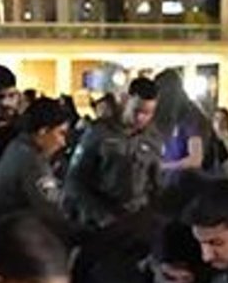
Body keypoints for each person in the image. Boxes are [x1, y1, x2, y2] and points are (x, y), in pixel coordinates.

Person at [63, 77, 163, 232]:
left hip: (137, 219)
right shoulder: (98, 133)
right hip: (102, 219)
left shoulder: (153, 138)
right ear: (125, 100)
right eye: (137, 111)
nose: (141, 118)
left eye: (148, 113)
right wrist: (100, 216)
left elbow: (156, 183)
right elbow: (74, 181)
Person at [0, 97, 69, 218]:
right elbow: (53, 210)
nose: (63, 142)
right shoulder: (32, 162)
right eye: (61, 133)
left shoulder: (15, 146)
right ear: (43, 131)